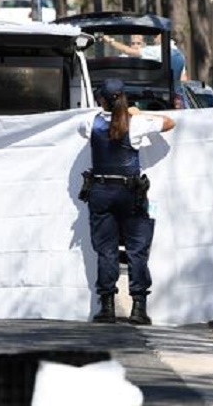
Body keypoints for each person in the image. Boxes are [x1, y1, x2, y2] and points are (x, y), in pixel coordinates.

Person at [79, 78, 175, 325]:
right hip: (130, 193)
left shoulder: (89, 122)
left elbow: (86, 129)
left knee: (106, 250)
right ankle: (139, 308)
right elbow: (169, 122)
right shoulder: (137, 122)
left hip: (100, 191)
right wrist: (137, 111)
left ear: (101, 99)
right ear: (123, 98)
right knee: (137, 249)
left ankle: (107, 307)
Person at [106, 33, 188, 83]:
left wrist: (109, 40)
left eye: (138, 43)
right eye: (133, 43)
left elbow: (128, 50)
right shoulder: (178, 53)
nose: (135, 46)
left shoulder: (155, 51)